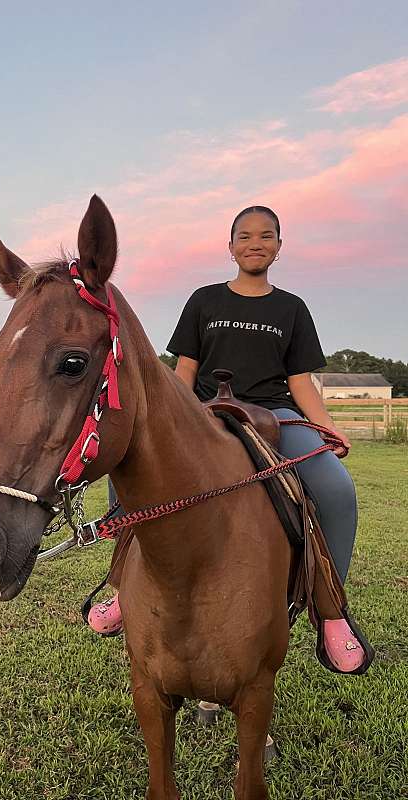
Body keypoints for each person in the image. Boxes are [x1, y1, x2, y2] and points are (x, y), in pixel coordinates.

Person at [88, 205, 366, 673]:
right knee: (132, 473)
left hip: (274, 414)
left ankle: (331, 611)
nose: (255, 242)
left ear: (279, 245)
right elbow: (185, 372)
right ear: (230, 244)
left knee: (337, 490)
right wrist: (172, 418)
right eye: (244, 235)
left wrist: (326, 424)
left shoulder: (292, 308)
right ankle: (121, 588)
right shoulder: (204, 300)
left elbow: (300, 382)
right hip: (204, 412)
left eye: (266, 235)